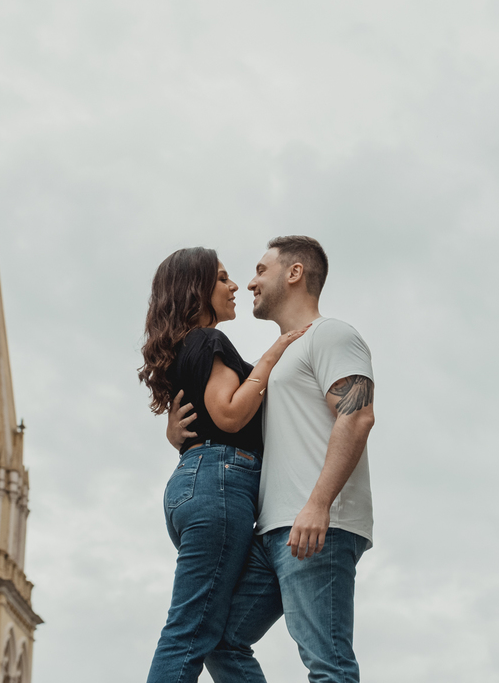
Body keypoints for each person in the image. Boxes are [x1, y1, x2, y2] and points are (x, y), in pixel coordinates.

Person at [168, 236, 376, 683]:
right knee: (221, 641)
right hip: (273, 529)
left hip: (320, 522)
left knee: (327, 662)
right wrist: (180, 436)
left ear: (295, 273)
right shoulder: (276, 362)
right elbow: (233, 420)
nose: (250, 281)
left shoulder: (331, 334)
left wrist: (318, 504)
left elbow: (356, 417)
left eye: (261, 270)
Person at [139, 247, 308, 683]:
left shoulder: (186, 349)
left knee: (214, 635)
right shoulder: (210, 341)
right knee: (190, 632)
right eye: (222, 278)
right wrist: (272, 357)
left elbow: (206, 426)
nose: (234, 286)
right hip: (221, 486)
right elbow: (229, 414)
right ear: (196, 290)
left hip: (198, 488)